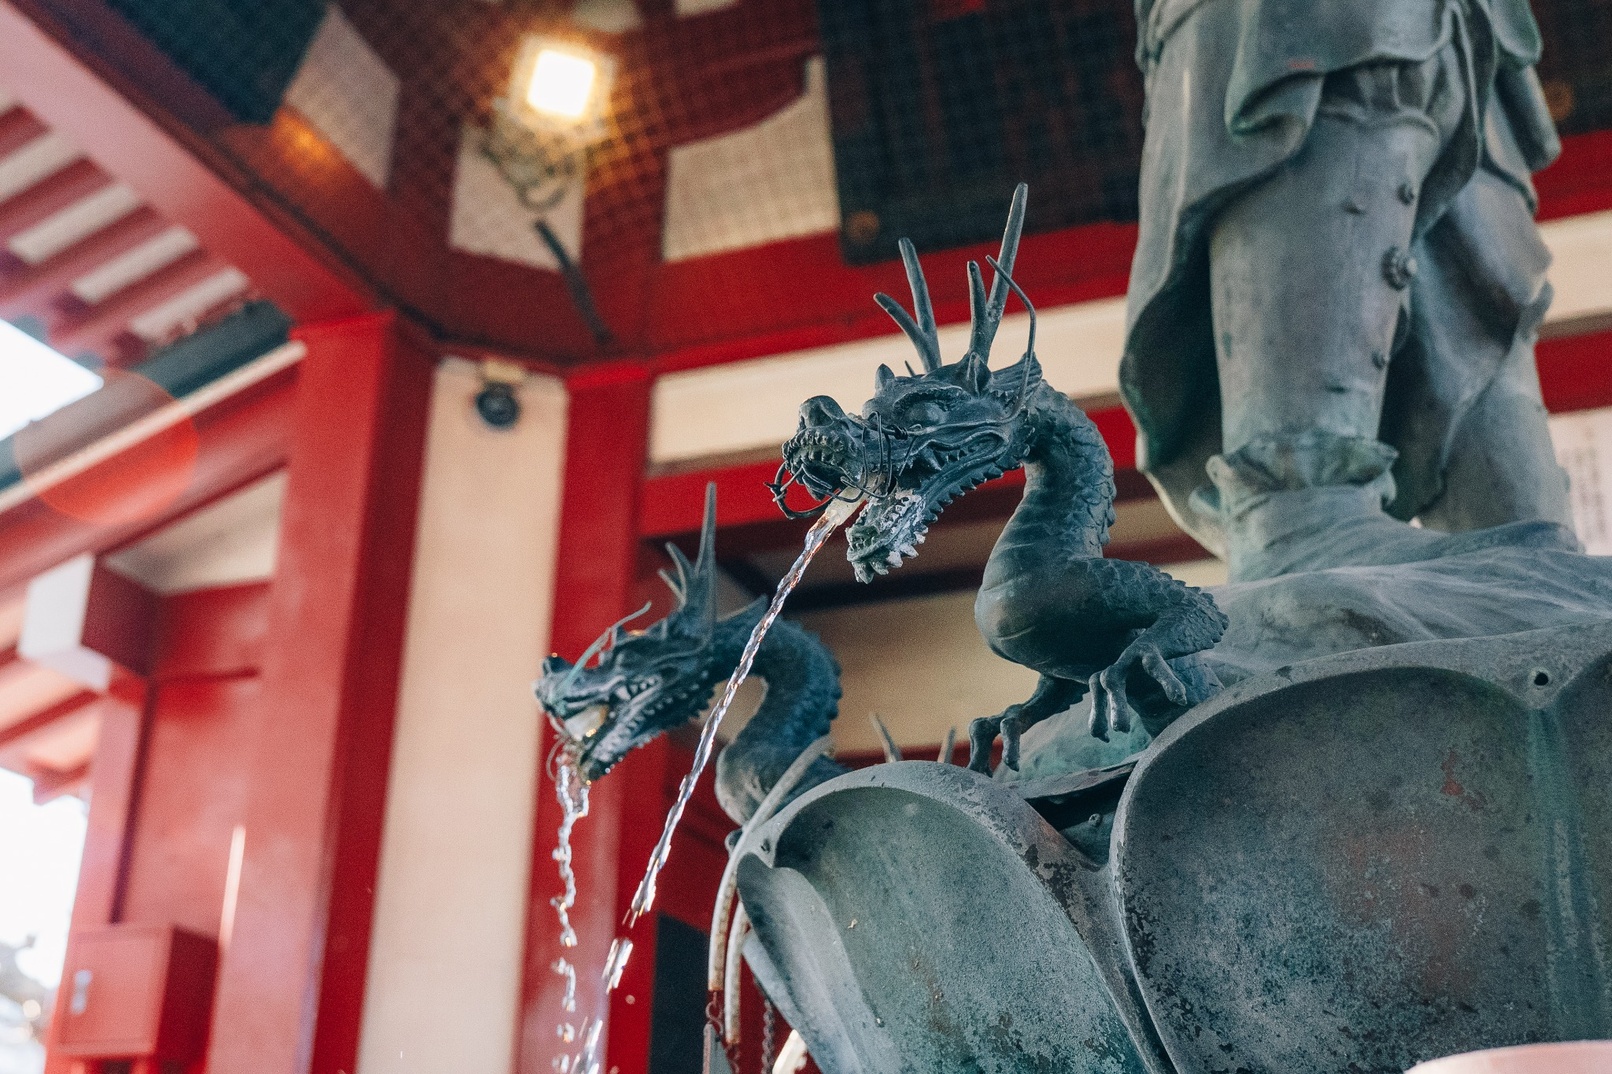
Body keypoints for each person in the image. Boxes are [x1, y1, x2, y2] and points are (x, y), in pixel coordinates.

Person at [1119, 0, 1580, 581]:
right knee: (1304, 508)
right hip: (1310, 36)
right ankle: (1298, 506)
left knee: (1535, 554)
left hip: (1469, 43)